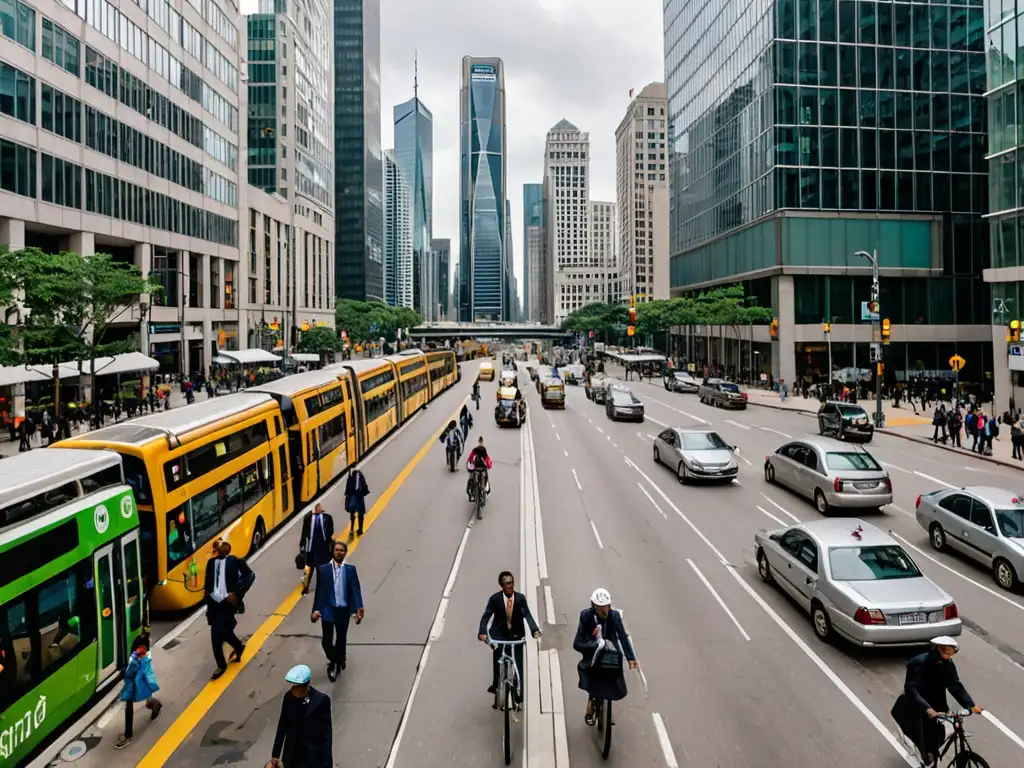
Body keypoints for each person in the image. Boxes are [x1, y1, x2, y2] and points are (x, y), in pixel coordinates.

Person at [891, 636, 981, 766]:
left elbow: (955, 686)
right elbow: (911, 689)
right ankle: (925, 756)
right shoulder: (921, 663)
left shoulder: (947, 664)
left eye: (952, 651)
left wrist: (971, 706)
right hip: (919, 703)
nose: (949, 653)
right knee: (924, 734)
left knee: (944, 730)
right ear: (939, 648)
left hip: (937, 703)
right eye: (947, 650)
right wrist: (927, 708)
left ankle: (932, 751)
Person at [572, 588, 638, 726]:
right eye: (601, 607)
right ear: (594, 606)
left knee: (615, 669)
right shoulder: (586, 616)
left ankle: (608, 702)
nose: (605, 610)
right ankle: (591, 702)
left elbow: (622, 636)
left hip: (611, 652)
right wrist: (593, 644)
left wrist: (631, 658)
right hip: (593, 650)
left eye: (607, 606)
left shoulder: (614, 616)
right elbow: (577, 642)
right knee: (593, 672)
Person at [477, 571, 541, 709]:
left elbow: (527, 615)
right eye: (506, 584)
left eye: (511, 583)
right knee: (497, 660)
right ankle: (496, 685)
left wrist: (534, 630)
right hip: (499, 636)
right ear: (501, 585)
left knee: (518, 664)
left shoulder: (520, 599)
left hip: (516, 636)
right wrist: (482, 632)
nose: (509, 586)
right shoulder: (494, 599)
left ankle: (519, 694)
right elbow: (486, 616)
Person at [311, 540, 364, 682]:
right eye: (337, 550)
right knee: (326, 642)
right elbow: (320, 591)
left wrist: (359, 607)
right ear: (333, 552)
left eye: (342, 550)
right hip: (328, 609)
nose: (339, 552)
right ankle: (335, 659)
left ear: (345, 553)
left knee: (341, 638)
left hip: (343, 610)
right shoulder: (323, 570)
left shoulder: (350, 569)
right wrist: (316, 609)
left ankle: (337, 663)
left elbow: (355, 589)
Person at [204, 539, 254, 680]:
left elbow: (250, 576)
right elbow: (207, 585)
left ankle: (221, 665)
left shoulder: (235, 561)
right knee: (224, 632)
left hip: (228, 604)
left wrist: (237, 595)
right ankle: (239, 647)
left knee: (215, 635)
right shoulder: (211, 563)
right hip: (214, 603)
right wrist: (209, 600)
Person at [269, 664, 333, 768]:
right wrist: (275, 755)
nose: (293, 689)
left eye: (297, 686)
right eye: (292, 686)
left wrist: (326, 763)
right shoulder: (288, 698)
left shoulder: (321, 701)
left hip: (313, 755)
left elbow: (326, 734)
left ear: (305, 686)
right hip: (292, 755)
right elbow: (282, 726)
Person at [114, 635, 163, 750]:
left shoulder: (139, 659)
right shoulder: (143, 656)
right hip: (138, 683)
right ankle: (155, 705)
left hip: (134, 684)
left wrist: (126, 671)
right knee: (139, 699)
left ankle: (128, 736)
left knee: (129, 706)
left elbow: (131, 671)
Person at [300, 503, 335, 594]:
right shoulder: (309, 518)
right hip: (312, 547)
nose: (319, 508)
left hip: (323, 547)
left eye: (320, 506)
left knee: (321, 569)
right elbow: (304, 531)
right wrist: (302, 545)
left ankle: (321, 587)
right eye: (317, 507)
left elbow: (331, 530)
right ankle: (306, 587)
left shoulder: (327, 518)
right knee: (310, 568)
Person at [344, 463, 370, 539]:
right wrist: (365, 492)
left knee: (352, 513)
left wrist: (347, 496)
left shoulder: (351, 475)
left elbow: (348, 487)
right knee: (360, 513)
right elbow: (364, 485)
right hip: (360, 496)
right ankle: (360, 529)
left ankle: (352, 529)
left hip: (353, 496)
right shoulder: (360, 474)